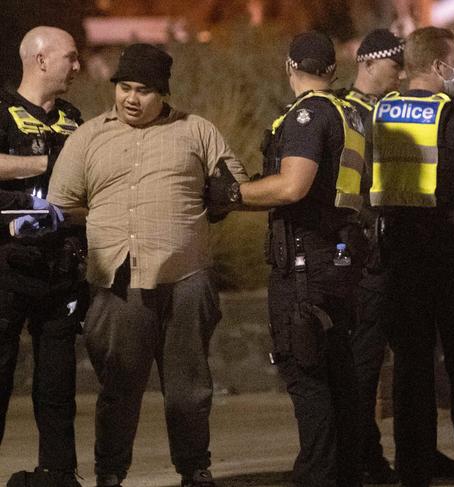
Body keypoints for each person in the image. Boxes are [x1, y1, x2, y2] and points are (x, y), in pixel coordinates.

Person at [47, 43, 249, 487]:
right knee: (117, 390)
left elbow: (235, 187)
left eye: (143, 90)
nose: (131, 99)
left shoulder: (197, 131)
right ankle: (111, 473)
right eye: (124, 87)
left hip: (187, 277)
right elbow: (62, 204)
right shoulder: (89, 136)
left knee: (190, 390)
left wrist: (220, 196)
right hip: (117, 280)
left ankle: (195, 468)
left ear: (163, 94)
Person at [208, 31, 367, 487]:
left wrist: (233, 194)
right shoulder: (349, 113)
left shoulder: (306, 115)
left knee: (306, 377)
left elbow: (293, 186)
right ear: (333, 71)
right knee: (339, 378)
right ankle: (345, 475)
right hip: (339, 260)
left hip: (305, 268)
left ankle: (316, 477)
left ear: (289, 66)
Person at [369, 26, 454, 487]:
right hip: (450, 256)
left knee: (410, 370)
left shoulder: (378, 115)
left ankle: (415, 470)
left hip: (398, 257)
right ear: (440, 65)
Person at [341, 28, 454, 484]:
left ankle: (418, 452)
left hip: (406, 250)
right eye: (396, 66)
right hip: (368, 253)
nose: (402, 75)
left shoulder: (393, 109)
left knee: (412, 362)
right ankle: (362, 454)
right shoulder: (349, 114)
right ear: (370, 62)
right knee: (364, 363)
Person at [0, 26, 84, 487]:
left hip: (60, 266)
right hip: (7, 265)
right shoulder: (3, 109)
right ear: (40, 59)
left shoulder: (73, 116)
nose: (78, 66)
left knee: (57, 386)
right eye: (70, 57)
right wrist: (46, 162)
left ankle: (58, 474)